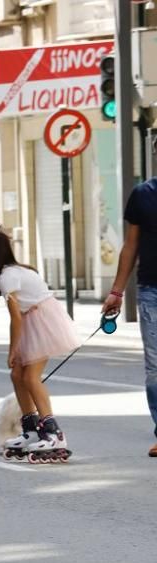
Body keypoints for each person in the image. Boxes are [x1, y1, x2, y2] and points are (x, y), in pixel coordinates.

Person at [0, 227, 79, 461]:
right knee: (17, 375)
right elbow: (18, 317)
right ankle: (31, 429)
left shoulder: (7, 277)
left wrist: (12, 349)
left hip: (42, 321)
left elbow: (15, 317)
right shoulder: (14, 271)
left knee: (31, 378)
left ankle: (53, 432)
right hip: (33, 319)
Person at [103, 177, 157, 456]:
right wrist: (117, 291)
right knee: (155, 368)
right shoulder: (142, 194)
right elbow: (131, 245)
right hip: (151, 291)